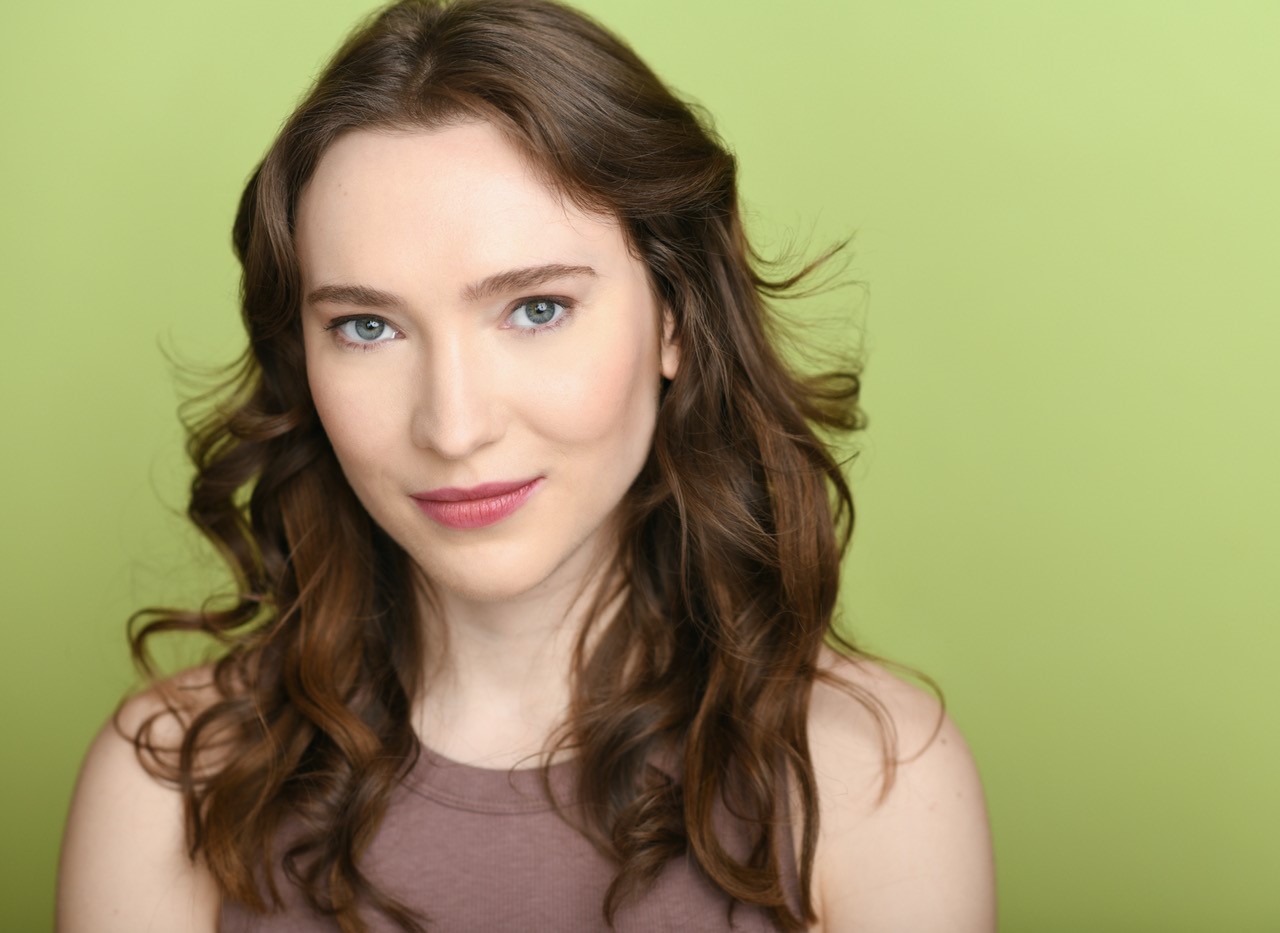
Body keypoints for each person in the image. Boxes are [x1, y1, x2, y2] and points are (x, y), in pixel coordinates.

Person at [56, 1, 996, 930]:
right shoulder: (170, 785)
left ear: (674, 316)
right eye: (367, 326)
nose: (454, 426)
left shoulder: (872, 782)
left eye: (537, 308)